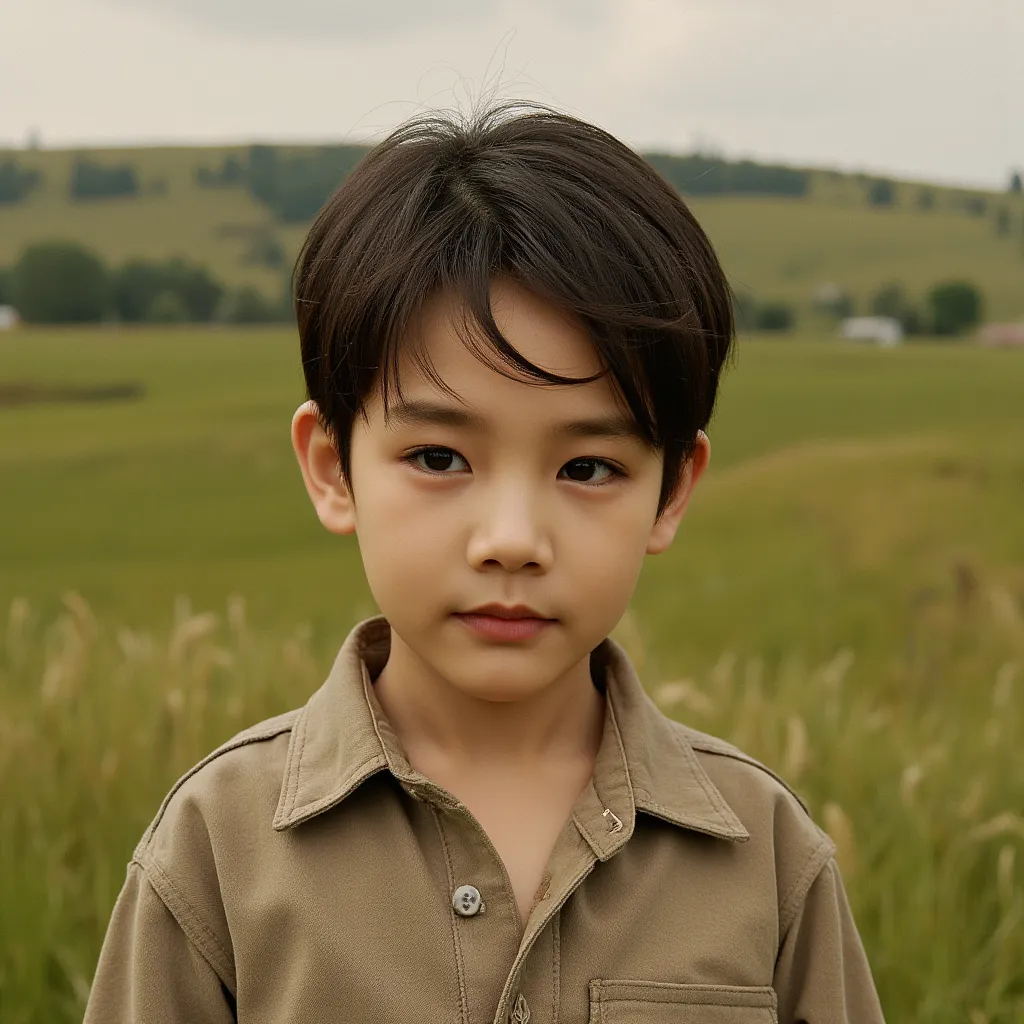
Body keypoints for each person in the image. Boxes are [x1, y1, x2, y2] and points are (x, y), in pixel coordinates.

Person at [83, 103, 885, 1024]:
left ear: (671, 491)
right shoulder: (216, 851)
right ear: (332, 467)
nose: (511, 538)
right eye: (439, 459)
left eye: (588, 468)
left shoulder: (767, 858)